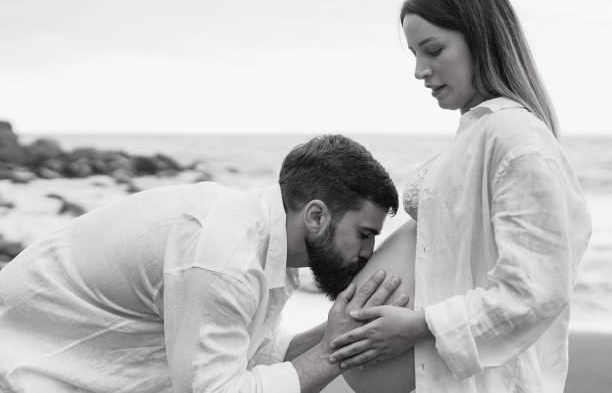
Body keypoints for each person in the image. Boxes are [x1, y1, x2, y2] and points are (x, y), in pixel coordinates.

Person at [329, 0, 592, 392]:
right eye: (415, 54)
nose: (420, 70)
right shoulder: (482, 131)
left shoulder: (515, 136)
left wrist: (419, 326)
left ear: (481, 39)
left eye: (433, 50)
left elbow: (535, 291)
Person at [0, 134, 407, 393]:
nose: (368, 252)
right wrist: (333, 354)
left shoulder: (262, 237)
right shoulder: (224, 259)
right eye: (364, 234)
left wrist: (339, 330)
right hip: (19, 368)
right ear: (316, 216)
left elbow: (254, 355)